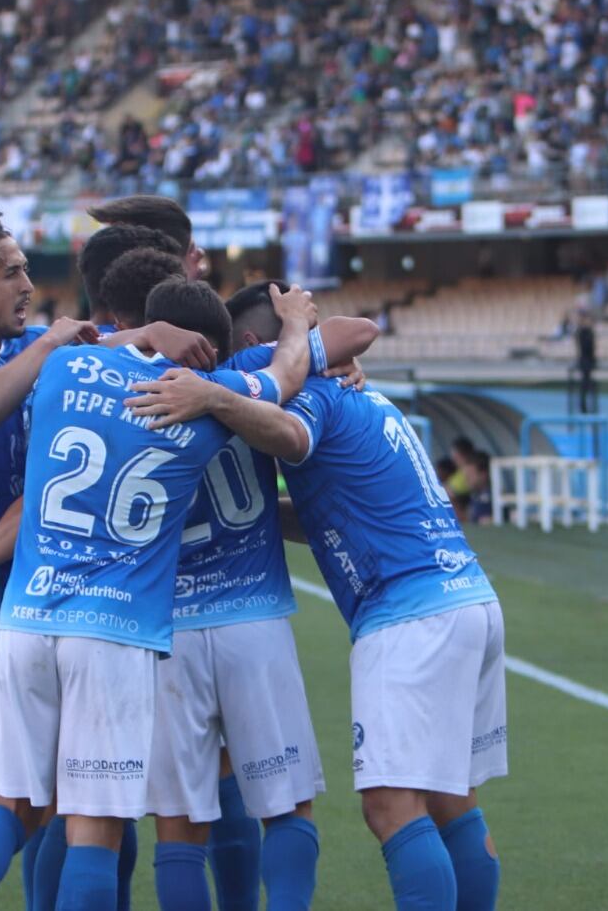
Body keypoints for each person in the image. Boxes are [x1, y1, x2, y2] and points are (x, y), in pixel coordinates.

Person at [124, 281, 507, 911]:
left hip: (409, 613)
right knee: (449, 797)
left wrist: (214, 394)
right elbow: (324, 512)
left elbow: (290, 438)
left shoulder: (318, 394)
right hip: (463, 595)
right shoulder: (366, 394)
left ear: (259, 347)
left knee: (390, 805)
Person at [0, 278, 315, 911]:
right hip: (114, 631)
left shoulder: (64, 367)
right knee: (95, 826)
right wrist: (297, 320)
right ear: (207, 350)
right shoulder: (205, 411)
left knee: (10, 806)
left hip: (29, 618)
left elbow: (84, 343)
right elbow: (286, 375)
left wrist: (142, 333)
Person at [0, 214, 209, 911]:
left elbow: (92, 342)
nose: (29, 285)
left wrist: (149, 334)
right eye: (11, 272)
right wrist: (49, 351)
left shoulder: (23, 346)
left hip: (12, 597)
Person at [94, 249, 379, 911]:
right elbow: (355, 333)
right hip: (252, 618)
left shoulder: (118, 394)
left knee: (179, 825)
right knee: (287, 808)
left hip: (166, 629)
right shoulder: (244, 373)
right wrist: (295, 323)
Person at [575, 313, 598, 415]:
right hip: (585, 361)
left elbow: (593, 348)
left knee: (587, 384)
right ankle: (583, 405)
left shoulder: (589, 332)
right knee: (584, 384)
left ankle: (586, 405)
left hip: (589, 361)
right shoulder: (582, 332)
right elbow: (586, 347)